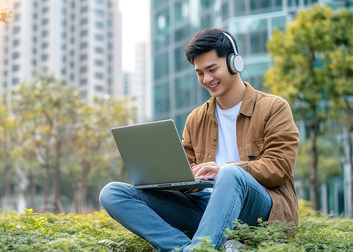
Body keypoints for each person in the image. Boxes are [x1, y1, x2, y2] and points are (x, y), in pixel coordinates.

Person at [99, 28, 299, 251]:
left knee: (230, 173)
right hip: (206, 212)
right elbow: (186, 168)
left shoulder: (274, 107)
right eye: (200, 72)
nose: (207, 79)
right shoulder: (196, 118)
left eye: (212, 69)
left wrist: (224, 169)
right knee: (112, 193)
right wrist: (179, 180)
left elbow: (280, 166)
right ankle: (186, 248)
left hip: (258, 212)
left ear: (234, 63)